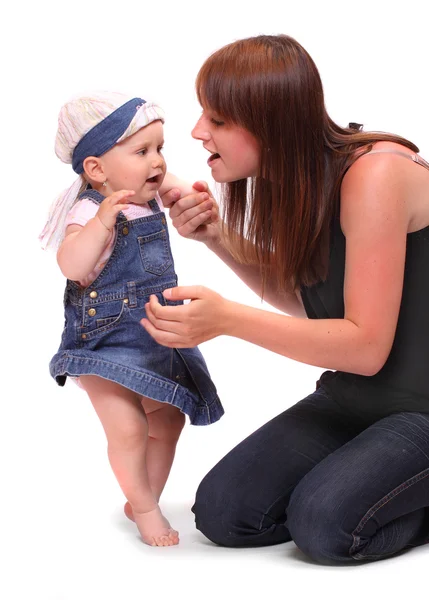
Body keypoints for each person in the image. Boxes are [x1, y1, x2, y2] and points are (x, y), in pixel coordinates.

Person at [142, 35, 429, 563]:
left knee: (324, 526)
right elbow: (312, 308)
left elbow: (364, 347)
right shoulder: (301, 180)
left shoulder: (376, 174)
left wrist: (227, 319)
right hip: (358, 400)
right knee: (225, 512)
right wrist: (217, 236)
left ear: (270, 124)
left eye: (219, 119)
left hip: (423, 409)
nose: (198, 131)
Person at [40, 91, 223, 547]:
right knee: (129, 427)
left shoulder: (149, 190)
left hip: (155, 334)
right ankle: (144, 509)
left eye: (160, 148)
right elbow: (72, 266)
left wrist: (191, 197)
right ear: (97, 170)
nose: (156, 161)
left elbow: (175, 188)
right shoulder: (90, 209)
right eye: (142, 151)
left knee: (168, 420)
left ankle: (144, 494)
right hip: (102, 341)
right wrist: (103, 221)